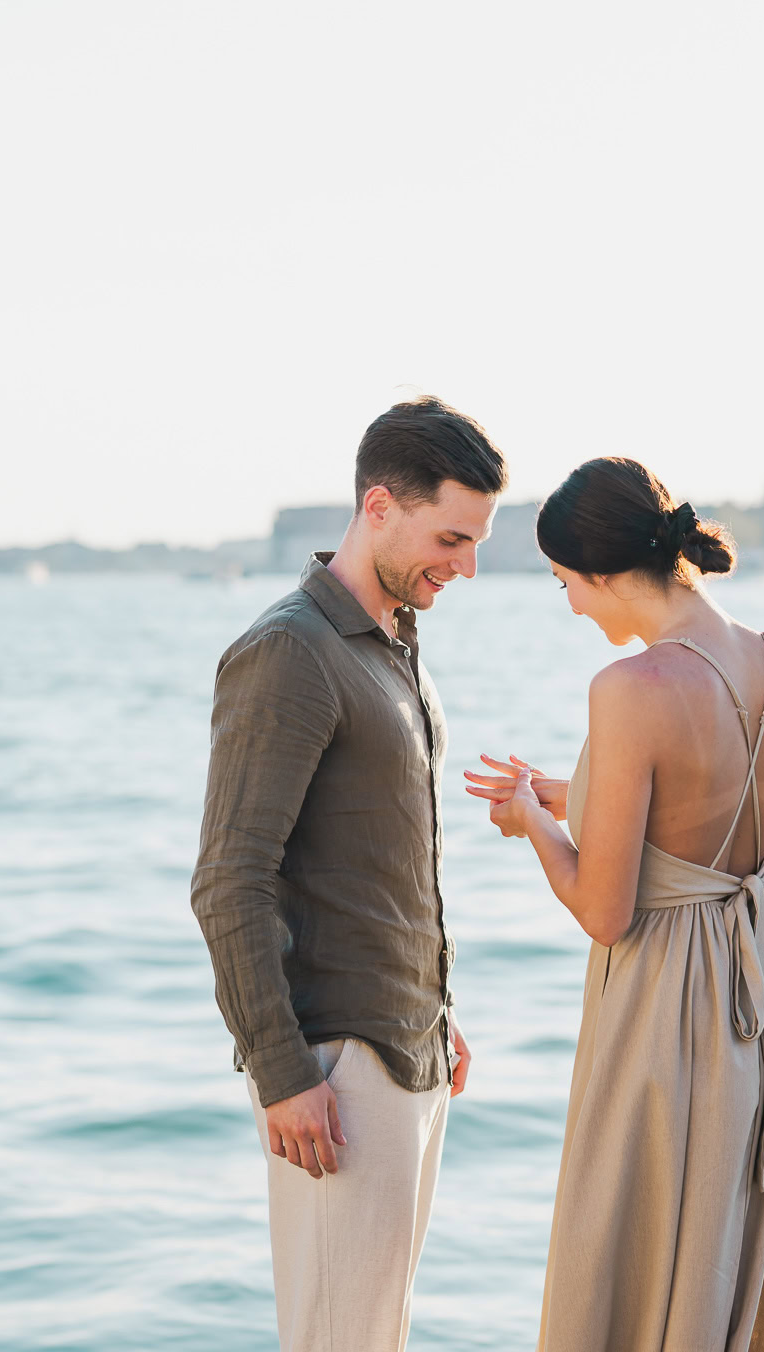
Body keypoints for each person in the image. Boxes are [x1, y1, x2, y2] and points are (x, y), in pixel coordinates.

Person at [463, 456, 764, 1351]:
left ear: (611, 574)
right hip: (760, 1014)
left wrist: (531, 824)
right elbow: (710, 816)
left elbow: (604, 908)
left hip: (667, 1008)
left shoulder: (631, 689)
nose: (574, 606)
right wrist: (565, 789)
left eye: (566, 583)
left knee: (622, 1256)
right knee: (720, 1261)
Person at [190, 395, 506, 1351]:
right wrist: (284, 1075)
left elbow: (382, 860)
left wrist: (435, 1007)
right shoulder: (292, 651)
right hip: (334, 1071)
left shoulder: (396, 643)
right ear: (379, 507)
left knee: (378, 1334)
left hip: (408, 1054)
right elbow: (230, 879)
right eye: (451, 537)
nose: (467, 566)